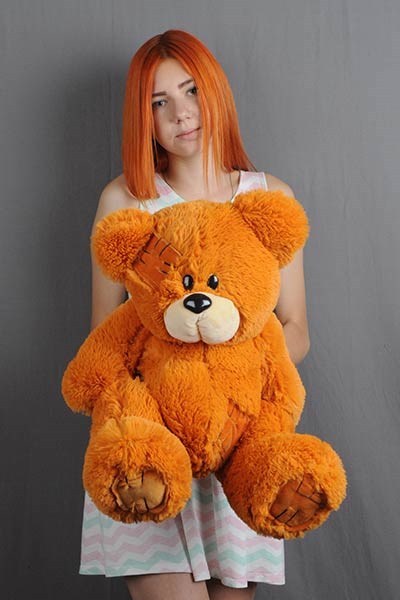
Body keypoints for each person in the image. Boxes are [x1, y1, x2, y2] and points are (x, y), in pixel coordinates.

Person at [82, 30, 310, 600]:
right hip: (150, 449)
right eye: (158, 102)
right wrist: (167, 390)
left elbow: (297, 328)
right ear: (143, 119)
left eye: (190, 91)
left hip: (238, 447)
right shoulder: (126, 203)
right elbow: (105, 338)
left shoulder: (267, 200)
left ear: (215, 92)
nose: (181, 113)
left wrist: (232, 377)